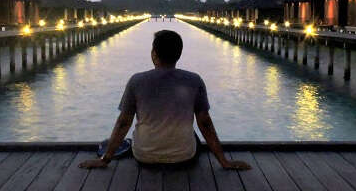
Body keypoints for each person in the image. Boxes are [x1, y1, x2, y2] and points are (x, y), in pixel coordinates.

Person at [79, 30, 251, 170]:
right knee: (193, 136)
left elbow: (124, 123)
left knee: (135, 136)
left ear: (154, 54)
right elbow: (204, 123)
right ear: (179, 54)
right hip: (184, 157)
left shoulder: (136, 81)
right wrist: (224, 162)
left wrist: (105, 159)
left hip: (144, 157)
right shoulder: (194, 80)